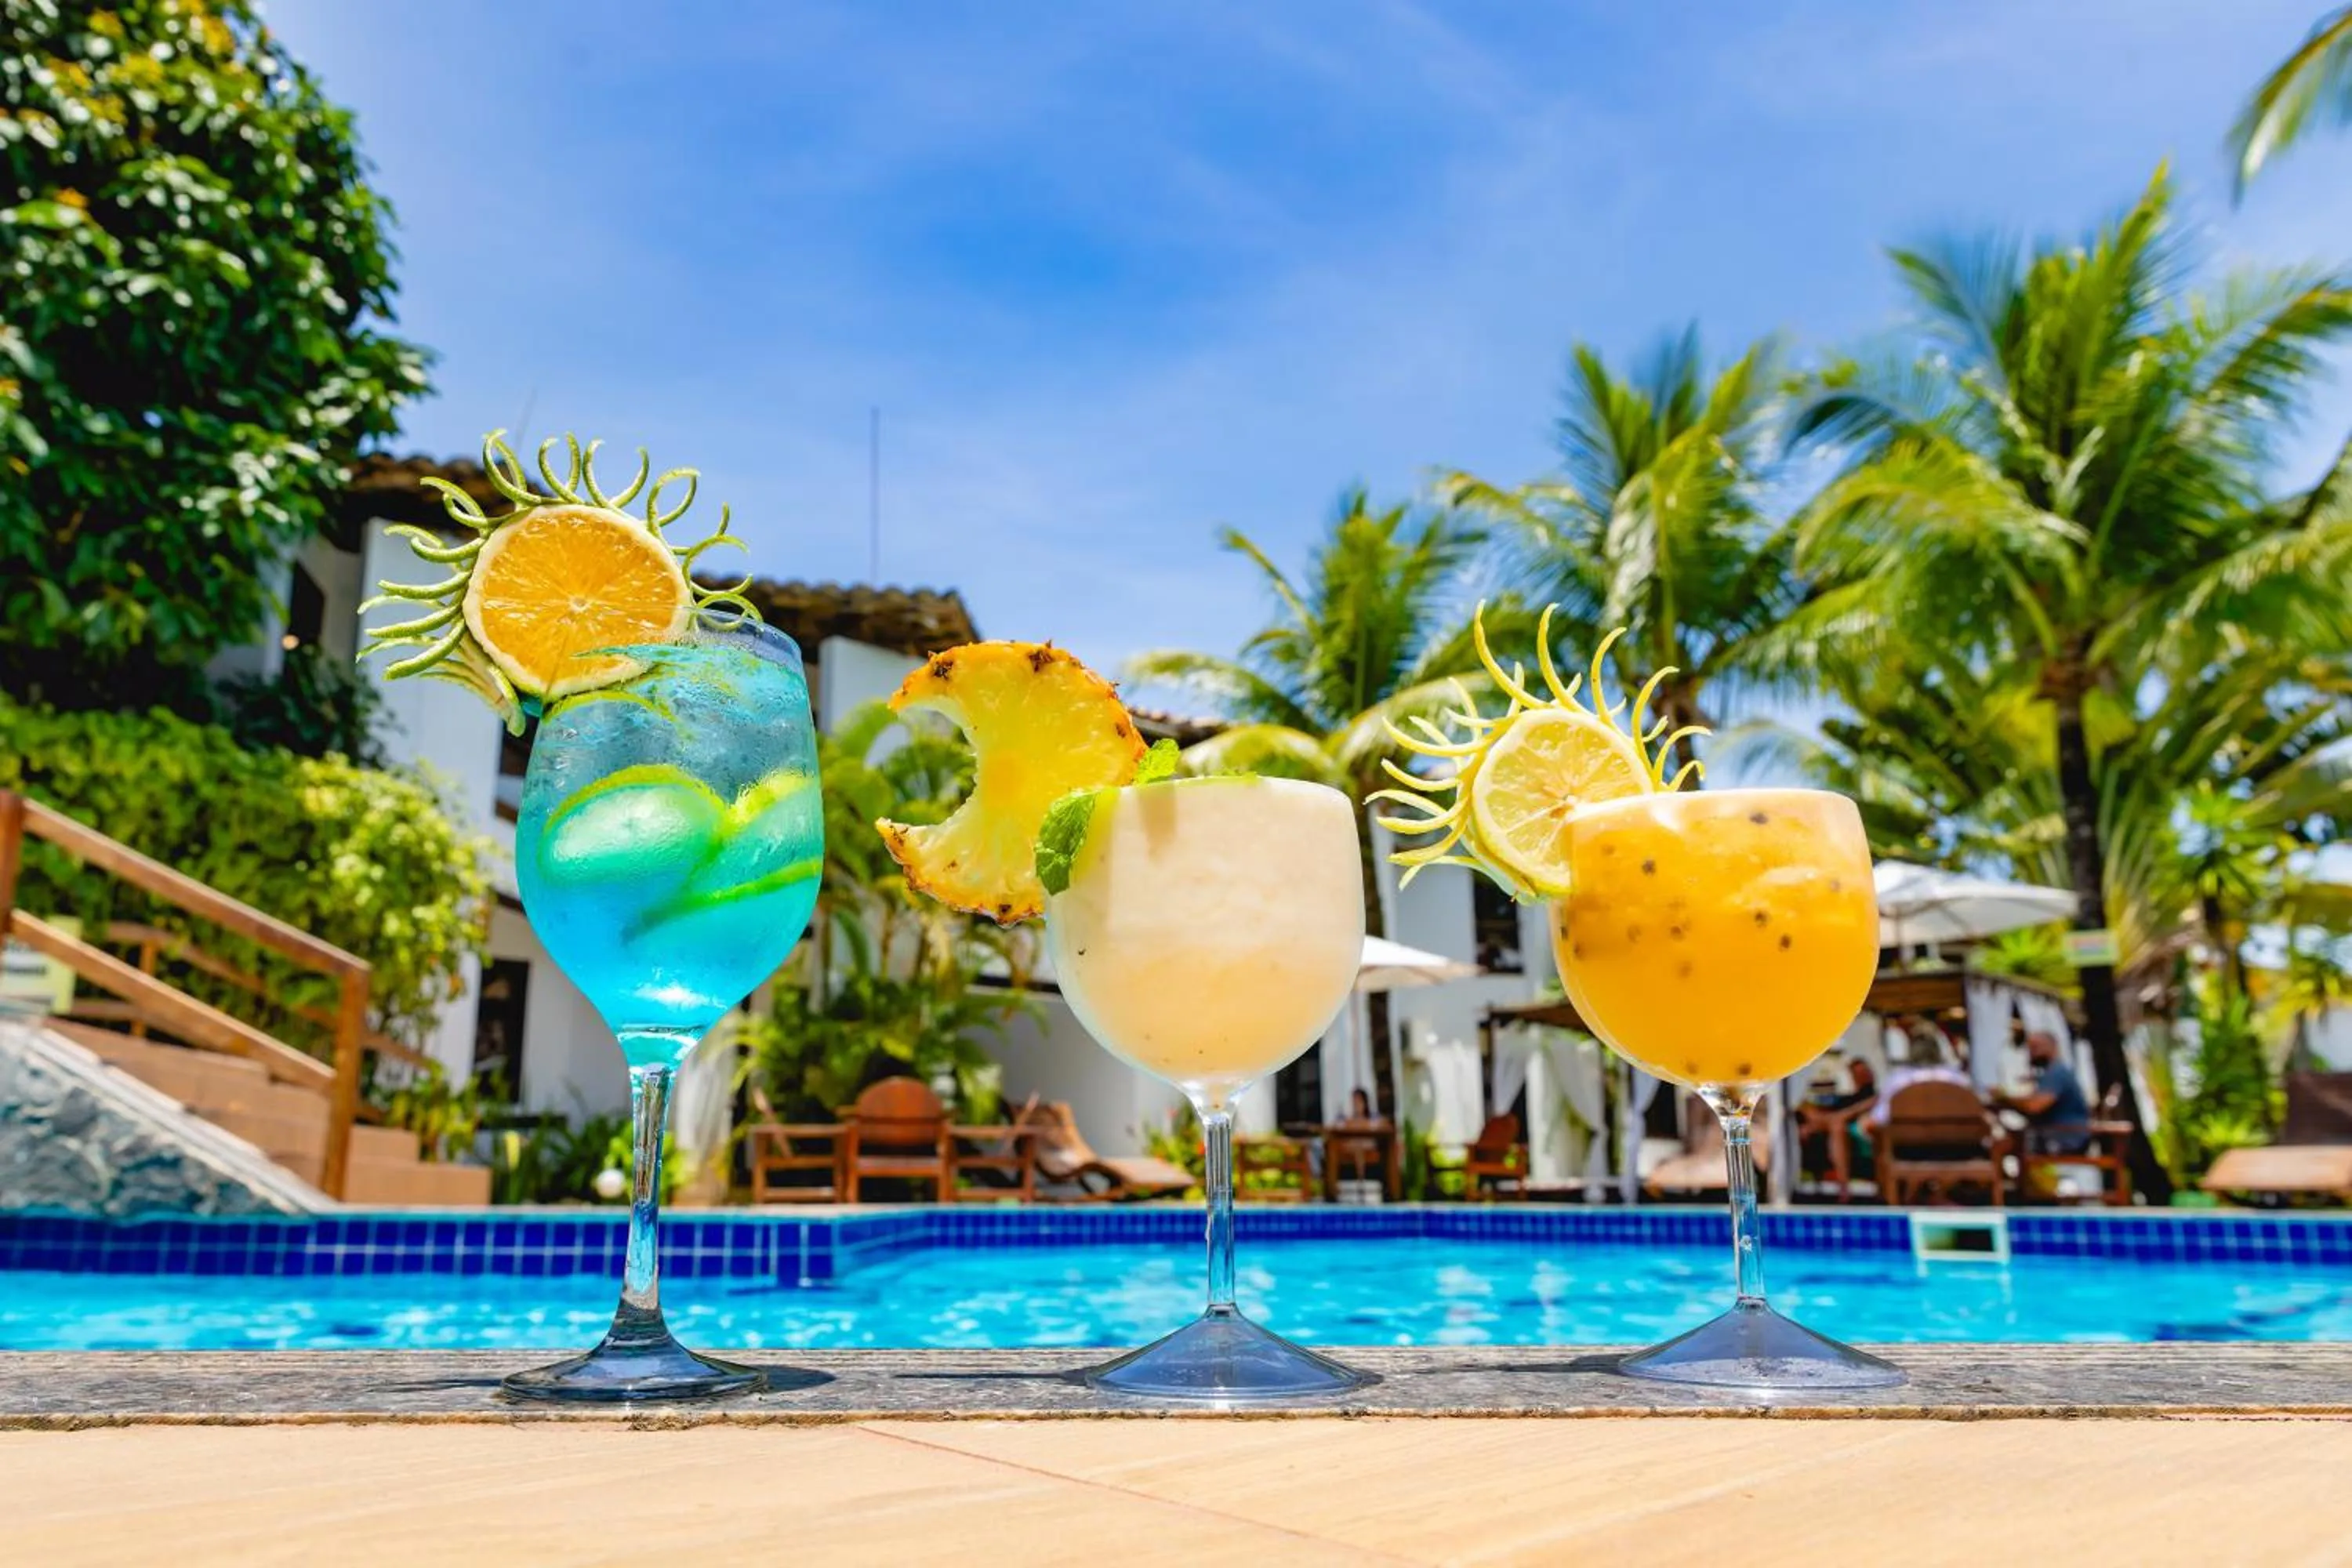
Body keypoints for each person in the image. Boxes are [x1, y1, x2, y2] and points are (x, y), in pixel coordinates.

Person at [1994, 1030, 2092, 1156]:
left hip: (2064, 1137)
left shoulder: (2057, 1073)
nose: (2031, 1054)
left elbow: (2034, 1106)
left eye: (2035, 1048)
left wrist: (2005, 1098)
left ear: (2051, 1047)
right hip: (2056, 1134)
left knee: (2000, 1146)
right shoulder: (2052, 1072)